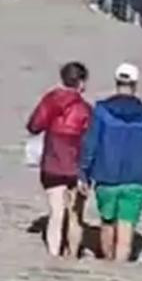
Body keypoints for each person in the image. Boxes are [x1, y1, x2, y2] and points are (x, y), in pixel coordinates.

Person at [79, 62, 142, 263]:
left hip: (106, 175)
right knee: (126, 225)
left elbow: (90, 144)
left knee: (107, 222)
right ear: (135, 84)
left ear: (117, 82)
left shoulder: (102, 111)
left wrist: (83, 173)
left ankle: (108, 259)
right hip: (137, 178)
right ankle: (119, 266)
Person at [26, 62, 92, 260]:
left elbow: (34, 126)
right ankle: (72, 253)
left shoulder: (50, 100)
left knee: (56, 213)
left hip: (52, 163)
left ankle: (54, 253)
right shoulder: (85, 109)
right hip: (75, 167)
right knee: (74, 215)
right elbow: (90, 142)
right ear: (80, 82)